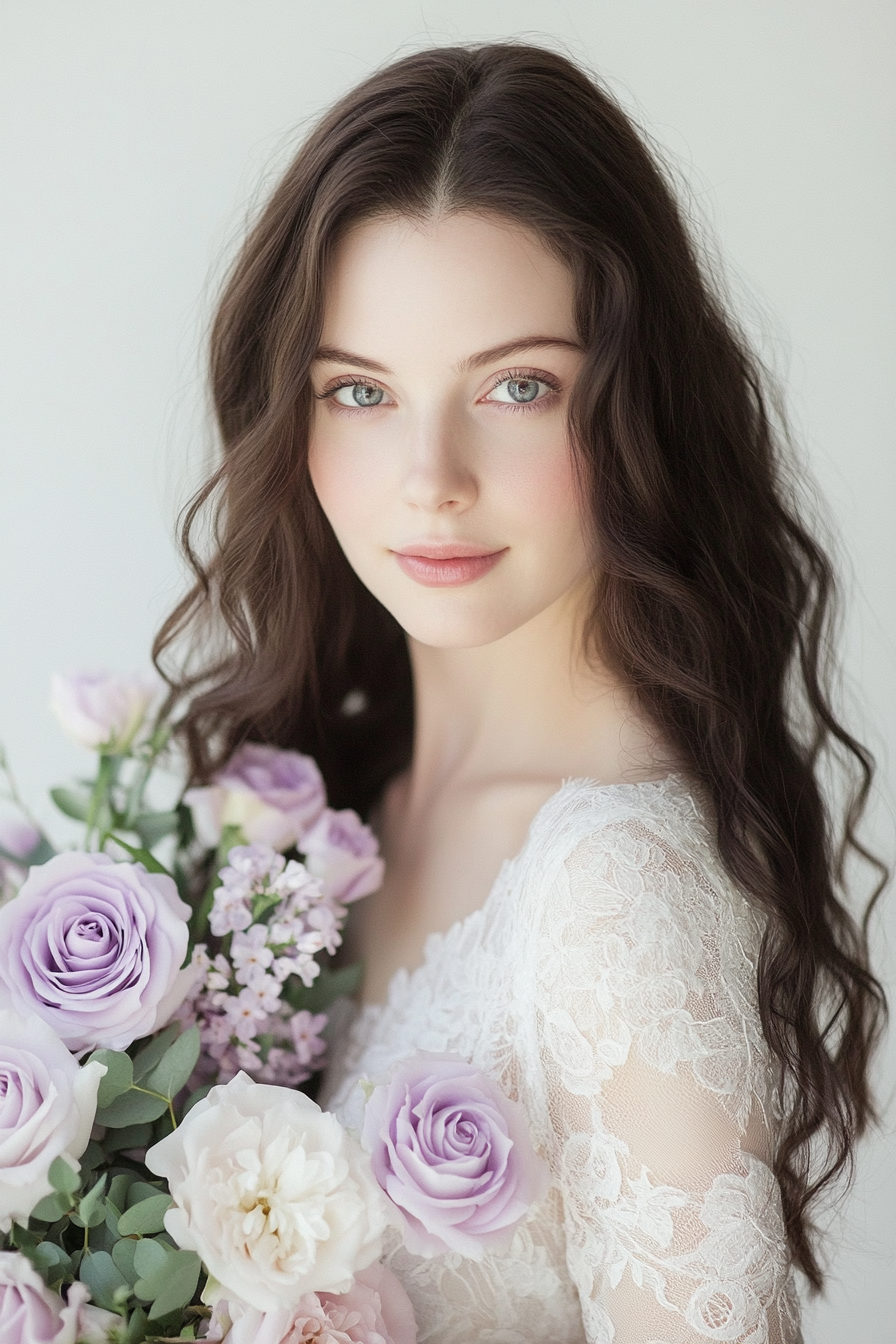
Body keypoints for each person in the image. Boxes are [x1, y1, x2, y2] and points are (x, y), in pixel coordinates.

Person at [154, 43, 887, 1344]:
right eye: (362, 391)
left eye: (517, 387)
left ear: (635, 405)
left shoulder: (614, 893)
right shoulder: (315, 810)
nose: (430, 474)